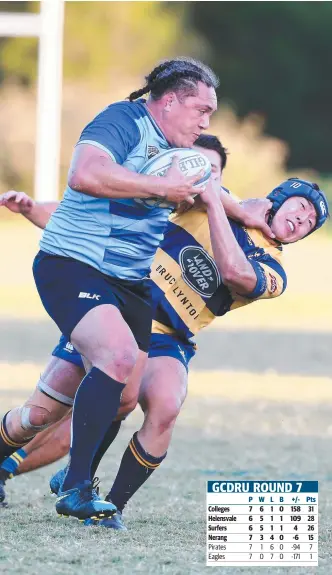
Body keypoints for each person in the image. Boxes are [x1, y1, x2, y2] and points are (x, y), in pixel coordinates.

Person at [0, 135, 328, 529]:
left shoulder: (274, 272)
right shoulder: (215, 199)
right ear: (278, 196)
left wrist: (221, 208)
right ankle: (53, 473)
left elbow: (235, 273)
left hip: (169, 337)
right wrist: (34, 209)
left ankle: (110, 508)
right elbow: (115, 214)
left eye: (310, 223)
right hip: (113, 312)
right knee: (40, 416)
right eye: (301, 207)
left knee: (166, 406)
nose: (302, 220)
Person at [0, 57, 221, 521]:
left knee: (69, 408)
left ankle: (33, 464)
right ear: (169, 100)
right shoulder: (123, 121)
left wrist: (269, 216)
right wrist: (161, 187)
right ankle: (77, 487)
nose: (206, 121)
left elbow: (227, 198)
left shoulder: (186, 155)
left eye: (210, 115)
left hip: (131, 283)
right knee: (117, 357)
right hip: (74, 265)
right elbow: (85, 174)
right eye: (200, 109)